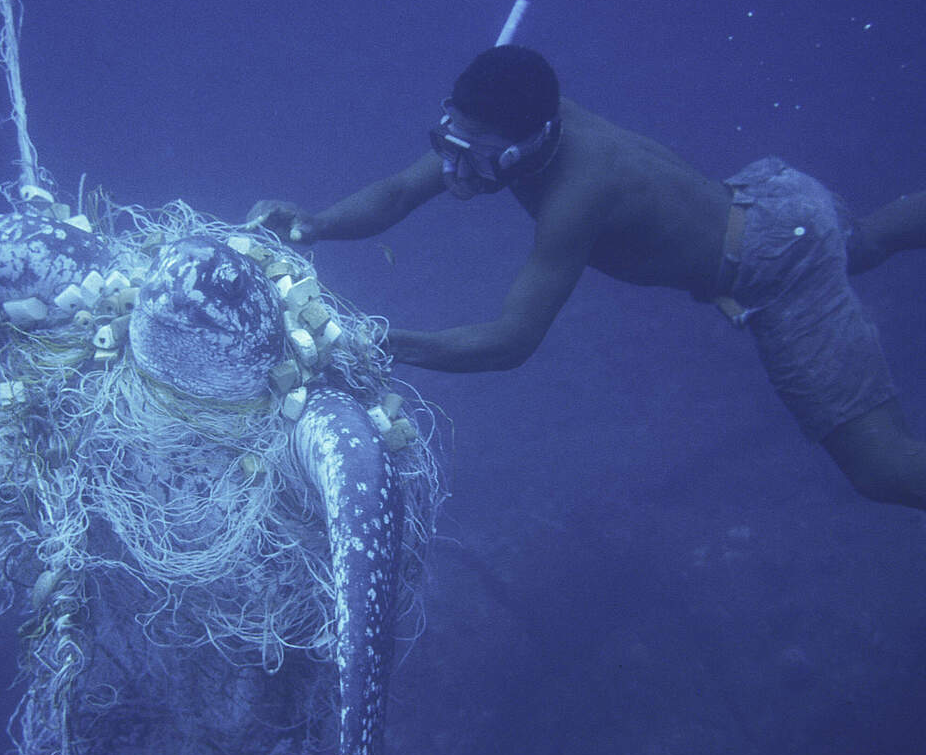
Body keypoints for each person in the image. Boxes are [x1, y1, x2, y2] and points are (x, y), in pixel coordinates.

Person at [249, 45, 926, 510]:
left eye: (473, 161)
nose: (454, 173)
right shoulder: (511, 122)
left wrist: (371, 342)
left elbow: (512, 342)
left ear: (526, 148)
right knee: (856, 243)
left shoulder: (580, 190)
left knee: (882, 469)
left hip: (780, 265)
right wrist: (313, 226)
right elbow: (398, 194)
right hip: (774, 201)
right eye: (444, 147)